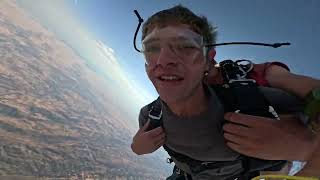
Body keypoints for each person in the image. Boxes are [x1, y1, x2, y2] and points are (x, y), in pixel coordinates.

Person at [130, 5, 320, 179]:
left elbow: (309, 92)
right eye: (152, 48)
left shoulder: (256, 92)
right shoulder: (152, 115)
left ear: (208, 59)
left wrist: (306, 148)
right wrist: (137, 147)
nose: (164, 60)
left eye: (186, 47)